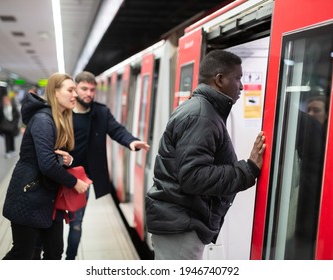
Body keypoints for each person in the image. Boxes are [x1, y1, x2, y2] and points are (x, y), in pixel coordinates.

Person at [145, 50, 266, 260]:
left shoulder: (203, 110)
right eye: (238, 78)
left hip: (180, 221)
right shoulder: (202, 115)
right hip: (182, 226)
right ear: (219, 79)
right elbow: (193, 177)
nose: (242, 86)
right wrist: (248, 169)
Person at [2, 73, 90, 260]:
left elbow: (54, 157)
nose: (75, 95)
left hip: (49, 199)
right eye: (70, 90)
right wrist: (74, 182)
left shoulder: (58, 119)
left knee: (54, 252)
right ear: (55, 93)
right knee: (23, 254)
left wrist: (69, 161)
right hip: (29, 197)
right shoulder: (43, 120)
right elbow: (47, 165)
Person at [64, 71, 150, 260]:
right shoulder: (64, 112)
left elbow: (116, 129)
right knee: (51, 224)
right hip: (58, 175)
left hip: (81, 181)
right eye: (84, 89)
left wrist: (131, 142)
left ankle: (69, 261)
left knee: (76, 223)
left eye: (92, 90)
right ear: (75, 89)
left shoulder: (100, 112)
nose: (89, 93)